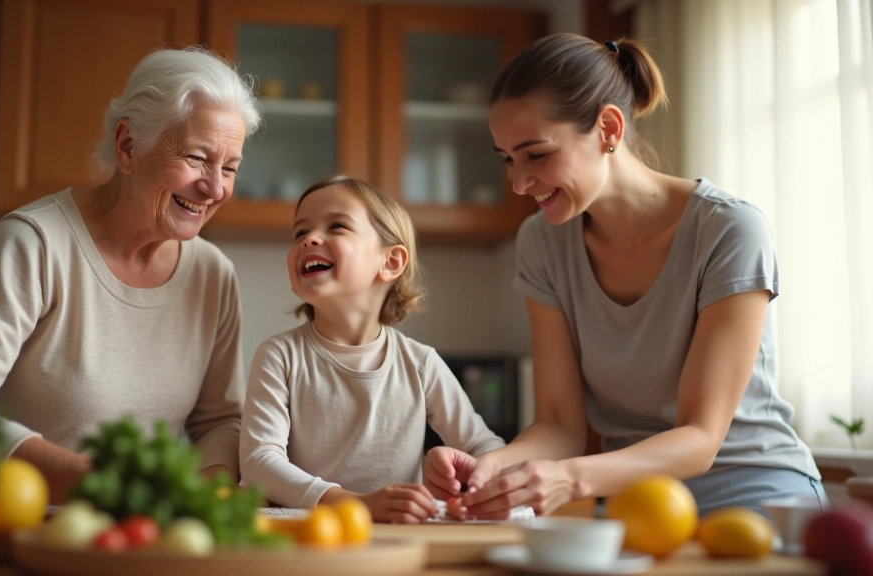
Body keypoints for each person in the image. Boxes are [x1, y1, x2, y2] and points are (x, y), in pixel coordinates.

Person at [422, 33, 825, 518]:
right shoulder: (542, 243)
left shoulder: (729, 229)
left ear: (608, 128)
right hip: (634, 505)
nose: (518, 183)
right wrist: (490, 465)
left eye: (537, 154)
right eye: (508, 159)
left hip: (749, 492)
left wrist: (569, 477)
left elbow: (700, 439)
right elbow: (558, 424)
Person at [0, 47, 261, 502]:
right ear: (128, 146)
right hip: (10, 529)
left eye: (230, 168)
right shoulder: (35, 243)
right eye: (196, 158)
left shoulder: (213, 275)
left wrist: (200, 492)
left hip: (135, 538)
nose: (216, 187)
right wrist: (97, 486)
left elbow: (221, 422)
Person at [239, 175, 504, 522]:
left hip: (394, 541)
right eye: (299, 233)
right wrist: (354, 504)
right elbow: (259, 463)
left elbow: (486, 448)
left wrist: (467, 477)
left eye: (336, 226)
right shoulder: (279, 356)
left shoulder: (421, 363)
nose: (310, 239)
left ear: (391, 262)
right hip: (307, 542)